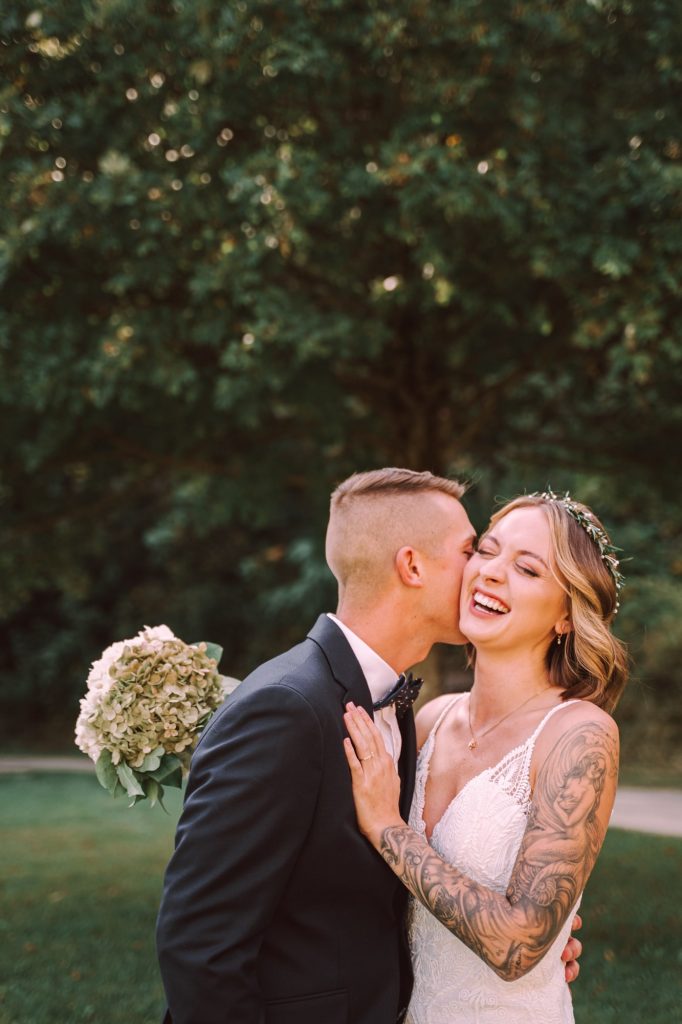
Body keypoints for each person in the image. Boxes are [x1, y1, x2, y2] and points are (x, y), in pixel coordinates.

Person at [156, 470, 582, 1024]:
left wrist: (540, 930)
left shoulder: (404, 708)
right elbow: (200, 947)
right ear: (411, 566)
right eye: (470, 549)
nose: (482, 570)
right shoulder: (286, 708)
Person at [344, 490, 628, 1024]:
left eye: (527, 568)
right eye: (486, 550)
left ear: (567, 615)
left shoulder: (579, 735)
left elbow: (516, 949)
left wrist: (389, 828)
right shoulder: (428, 718)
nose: (491, 573)